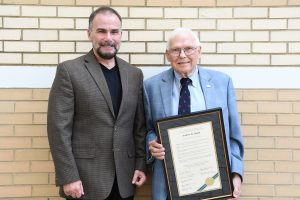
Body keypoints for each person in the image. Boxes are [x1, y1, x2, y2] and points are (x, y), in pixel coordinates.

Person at [47, 6, 146, 200]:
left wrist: (140, 164)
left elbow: (139, 127)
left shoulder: (134, 74)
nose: (108, 37)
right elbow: (58, 129)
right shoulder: (69, 71)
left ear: (121, 35)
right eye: (101, 31)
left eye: (114, 32)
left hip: (126, 179)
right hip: (85, 181)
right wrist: (69, 176)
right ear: (89, 33)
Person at [143, 27, 244, 200]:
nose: (182, 55)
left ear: (199, 51)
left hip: (213, 182)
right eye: (175, 50)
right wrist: (151, 143)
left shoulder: (222, 82)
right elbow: (147, 129)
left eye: (188, 48)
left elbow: (233, 135)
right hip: (169, 184)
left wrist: (235, 174)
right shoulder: (151, 86)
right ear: (167, 55)